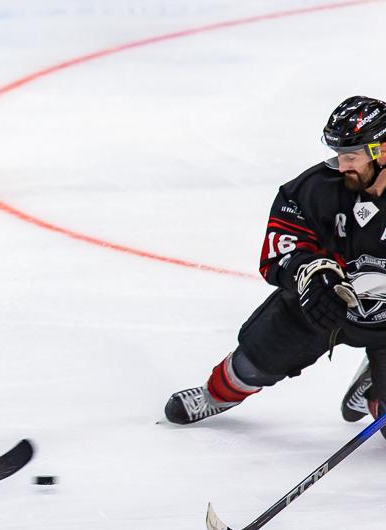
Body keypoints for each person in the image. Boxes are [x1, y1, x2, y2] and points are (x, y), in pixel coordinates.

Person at [165, 95, 386, 428]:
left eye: (351, 157)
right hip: (319, 307)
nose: (342, 166)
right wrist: (311, 272)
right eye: (339, 156)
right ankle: (214, 395)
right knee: (251, 367)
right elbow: (279, 252)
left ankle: (374, 386)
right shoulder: (314, 189)